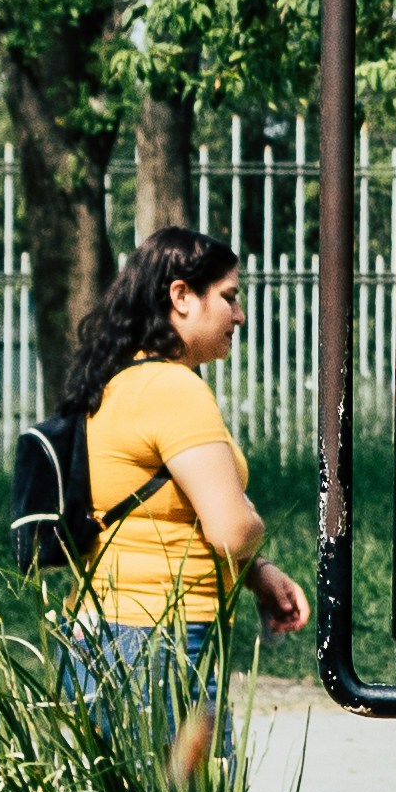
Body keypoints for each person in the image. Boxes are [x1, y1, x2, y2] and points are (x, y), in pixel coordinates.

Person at [63, 230, 308, 760]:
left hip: (97, 633)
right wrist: (250, 518)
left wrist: (258, 574)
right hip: (161, 642)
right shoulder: (173, 388)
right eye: (229, 296)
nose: (239, 315)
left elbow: (162, 515)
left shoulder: (116, 381)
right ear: (181, 296)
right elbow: (229, 528)